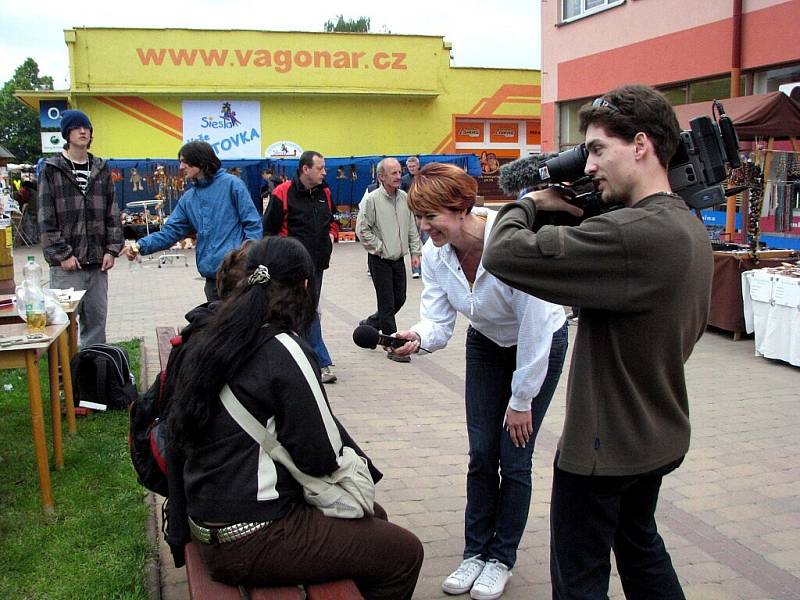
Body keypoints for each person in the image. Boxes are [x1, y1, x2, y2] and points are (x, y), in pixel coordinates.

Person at [483, 84, 713, 599]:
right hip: (656, 435)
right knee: (641, 550)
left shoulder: (634, 235)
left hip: (602, 452)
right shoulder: (685, 227)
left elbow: (503, 253)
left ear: (640, 145)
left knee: (579, 582)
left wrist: (532, 202)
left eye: (596, 149)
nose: (587, 166)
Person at [164, 236, 424, 600]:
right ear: (305, 285)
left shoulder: (212, 336)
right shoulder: (283, 346)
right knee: (403, 553)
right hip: (252, 535)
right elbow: (318, 455)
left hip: (207, 524)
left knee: (373, 519)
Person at [391, 162, 567, 599]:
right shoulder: (436, 253)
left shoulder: (511, 243)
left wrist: (522, 398)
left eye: (431, 216)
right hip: (487, 344)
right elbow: (438, 319)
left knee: (516, 456)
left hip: (539, 343)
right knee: (482, 454)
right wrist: (417, 336)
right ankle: (475, 553)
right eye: (419, 216)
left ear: (462, 208)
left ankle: (501, 558)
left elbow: (536, 326)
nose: (423, 225)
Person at [123, 141, 261, 301]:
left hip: (239, 278)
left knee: (241, 325)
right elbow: (169, 233)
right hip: (212, 281)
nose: (181, 167)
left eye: (184, 161)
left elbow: (253, 225)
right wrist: (140, 245)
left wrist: (247, 261)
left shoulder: (233, 185)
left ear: (201, 161)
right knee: (216, 324)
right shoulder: (188, 199)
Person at [38, 109, 124, 346]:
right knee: (63, 326)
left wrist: (111, 250)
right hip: (67, 267)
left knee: (96, 323)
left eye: (86, 127)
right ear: (67, 133)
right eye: (77, 128)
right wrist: (62, 254)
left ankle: (94, 375)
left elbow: (112, 213)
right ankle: (65, 379)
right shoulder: (51, 168)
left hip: (97, 263)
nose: (83, 131)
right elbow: (46, 218)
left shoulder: (101, 168)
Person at [262, 150, 338, 384]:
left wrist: (331, 235)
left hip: (318, 262)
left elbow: (332, 219)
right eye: (320, 168)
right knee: (306, 309)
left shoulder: (324, 191)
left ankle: (300, 358)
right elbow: (268, 231)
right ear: (306, 169)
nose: (324, 172)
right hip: (292, 266)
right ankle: (321, 362)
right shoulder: (281, 193)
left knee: (304, 309)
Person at [355, 157, 421, 361]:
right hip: (380, 259)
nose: (398, 176)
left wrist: (415, 252)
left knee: (399, 299)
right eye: (393, 173)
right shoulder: (371, 199)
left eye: (399, 172)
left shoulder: (404, 198)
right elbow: (362, 229)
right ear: (381, 176)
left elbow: (411, 227)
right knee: (386, 304)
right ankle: (393, 345)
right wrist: (380, 248)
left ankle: (370, 324)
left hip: (398, 259)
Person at [401, 156, 426, 279]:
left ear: (418, 166)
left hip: (424, 215)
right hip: (410, 215)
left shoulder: (424, 178)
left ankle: (428, 268)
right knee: (413, 243)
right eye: (409, 167)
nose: (411, 168)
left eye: (413, 166)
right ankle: (416, 269)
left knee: (427, 242)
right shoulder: (404, 180)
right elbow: (401, 198)